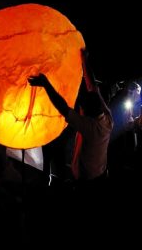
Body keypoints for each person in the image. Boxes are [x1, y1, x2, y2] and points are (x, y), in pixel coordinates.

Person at [28, 50, 112, 184]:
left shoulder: (89, 127)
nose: (80, 110)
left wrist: (46, 84)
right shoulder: (107, 117)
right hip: (101, 171)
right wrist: (85, 60)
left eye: (81, 109)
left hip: (88, 178)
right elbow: (93, 87)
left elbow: (63, 107)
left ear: (87, 114)